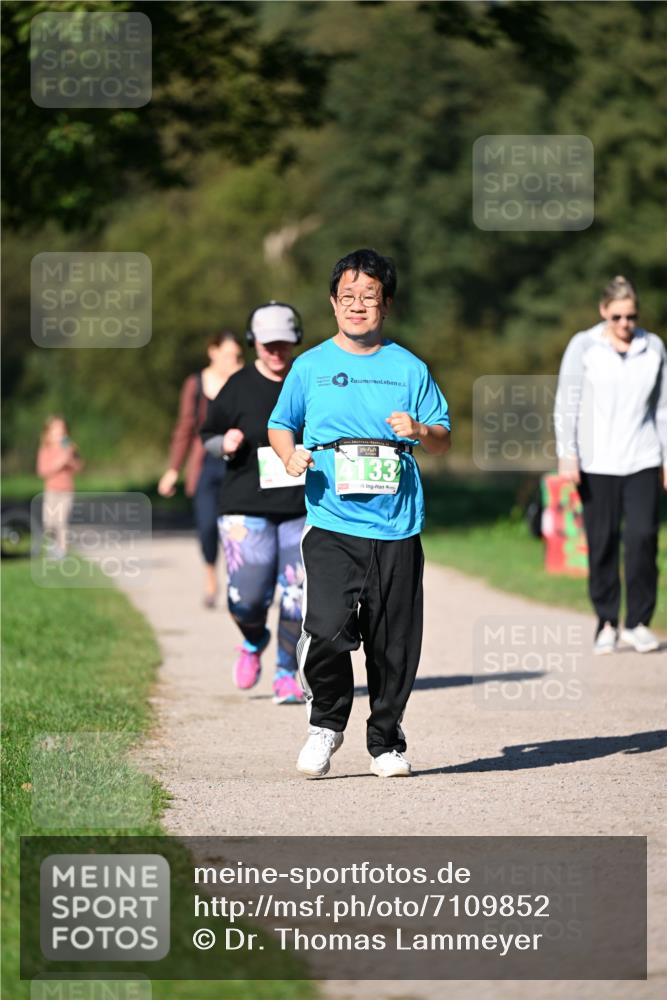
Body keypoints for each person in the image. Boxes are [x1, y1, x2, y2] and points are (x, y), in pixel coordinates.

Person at [268, 248, 451, 778]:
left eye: (369, 296)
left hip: (397, 525)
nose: (357, 305)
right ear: (332, 303)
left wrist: (420, 430)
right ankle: (325, 725)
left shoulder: (409, 368)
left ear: (385, 304)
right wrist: (289, 454)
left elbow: (442, 437)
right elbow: (281, 424)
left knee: (394, 645)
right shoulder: (310, 366)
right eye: (347, 296)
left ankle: (386, 743)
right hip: (331, 522)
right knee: (326, 631)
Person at [200, 302, 307, 705]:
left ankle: (286, 673)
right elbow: (207, 435)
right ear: (254, 343)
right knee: (246, 599)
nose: (276, 351)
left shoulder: (309, 379)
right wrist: (223, 443)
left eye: (284, 343)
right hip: (245, 505)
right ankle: (253, 638)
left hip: (302, 505)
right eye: (268, 344)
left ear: (295, 340)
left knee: (297, 596)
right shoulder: (238, 386)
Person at [555, 275, 667, 655]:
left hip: (643, 456)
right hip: (596, 460)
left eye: (631, 316)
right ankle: (606, 621)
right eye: (617, 316)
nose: (625, 324)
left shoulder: (653, 347)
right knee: (602, 542)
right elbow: (566, 403)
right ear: (604, 311)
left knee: (642, 537)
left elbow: (663, 408)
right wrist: (567, 454)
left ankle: (638, 622)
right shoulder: (584, 346)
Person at [158, 331, 243, 607]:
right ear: (212, 352)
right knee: (207, 527)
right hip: (205, 464)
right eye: (228, 355)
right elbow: (184, 427)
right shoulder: (195, 384)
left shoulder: (242, 382)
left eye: (237, 356)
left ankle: (237, 579)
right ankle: (210, 576)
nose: (233, 361)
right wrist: (173, 469)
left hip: (235, 463)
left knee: (236, 528)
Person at [36, 415, 84, 558]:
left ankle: (62, 550)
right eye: (56, 430)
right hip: (51, 491)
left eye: (62, 429)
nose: (60, 432)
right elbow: (42, 471)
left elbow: (79, 467)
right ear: (48, 433)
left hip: (66, 491)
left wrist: (71, 459)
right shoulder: (46, 449)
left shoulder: (68, 448)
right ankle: (52, 545)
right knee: (49, 522)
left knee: (61, 521)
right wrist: (59, 463)